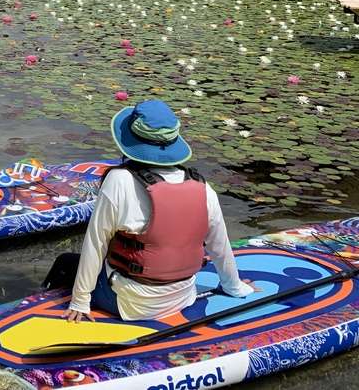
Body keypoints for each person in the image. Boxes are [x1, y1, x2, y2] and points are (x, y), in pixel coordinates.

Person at [60, 99, 254, 322]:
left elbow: (96, 244)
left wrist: (80, 301)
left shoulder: (119, 180)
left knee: (66, 263)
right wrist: (234, 286)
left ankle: (56, 311)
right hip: (183, 296)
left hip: (129, 304)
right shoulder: (202, 186)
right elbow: (219, 245)